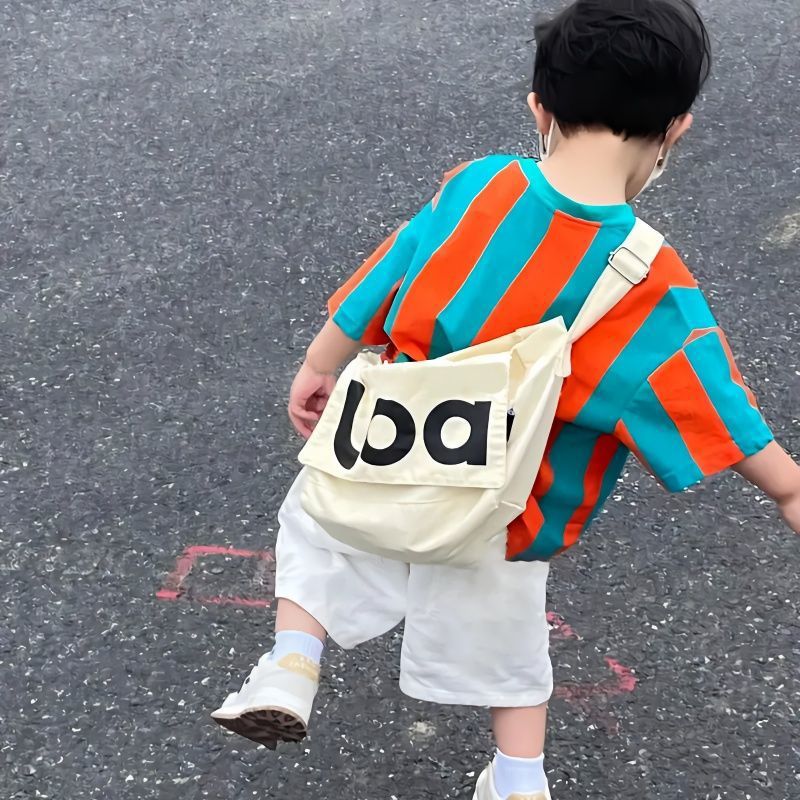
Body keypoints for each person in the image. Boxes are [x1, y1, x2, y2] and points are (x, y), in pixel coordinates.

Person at [211, 1, 800, 797]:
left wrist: (321, 363)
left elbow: (390, 269)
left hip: (384, 450)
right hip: (505, 509)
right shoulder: (649, 284)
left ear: (539, 109)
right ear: (676, 130)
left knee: (319, 529)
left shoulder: (479, 185)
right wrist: (787, 488)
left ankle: (290, 664)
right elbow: (716, 409)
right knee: (510, 643)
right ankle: (519, 779)